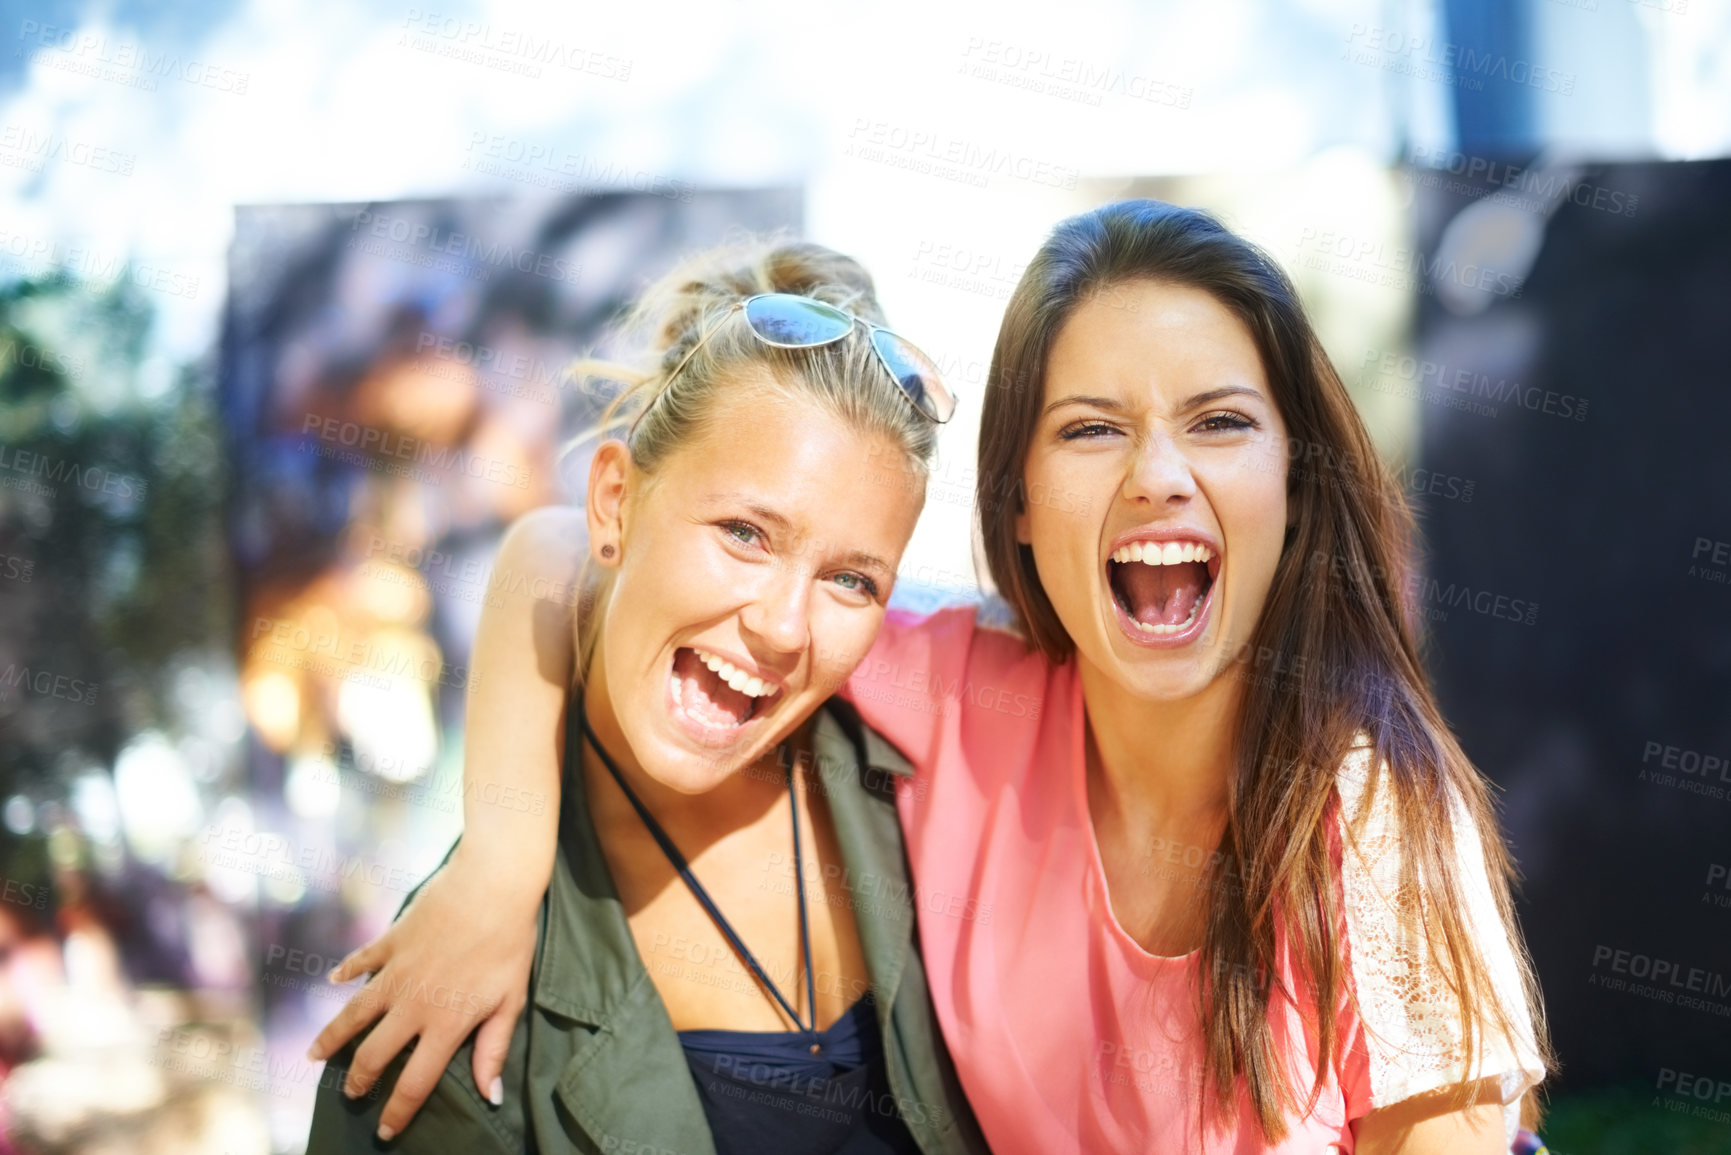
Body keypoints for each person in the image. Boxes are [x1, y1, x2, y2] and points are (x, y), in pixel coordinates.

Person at [311, 202, 1553, 1153]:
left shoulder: (1367, 810)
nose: (1160, 475)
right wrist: (502, 861)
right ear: (1016, 505)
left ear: (1298, 476)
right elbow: (566, 556)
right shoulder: (964, 694)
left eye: (1222, 422)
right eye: (1090, 427)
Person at [305, 240, 988, 1154]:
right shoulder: (453, 994)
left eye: (852, 580)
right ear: (614, 504)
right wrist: (504, 863)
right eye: (745, 532)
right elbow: (544, 550)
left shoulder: (933, 777)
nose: (785, 627)